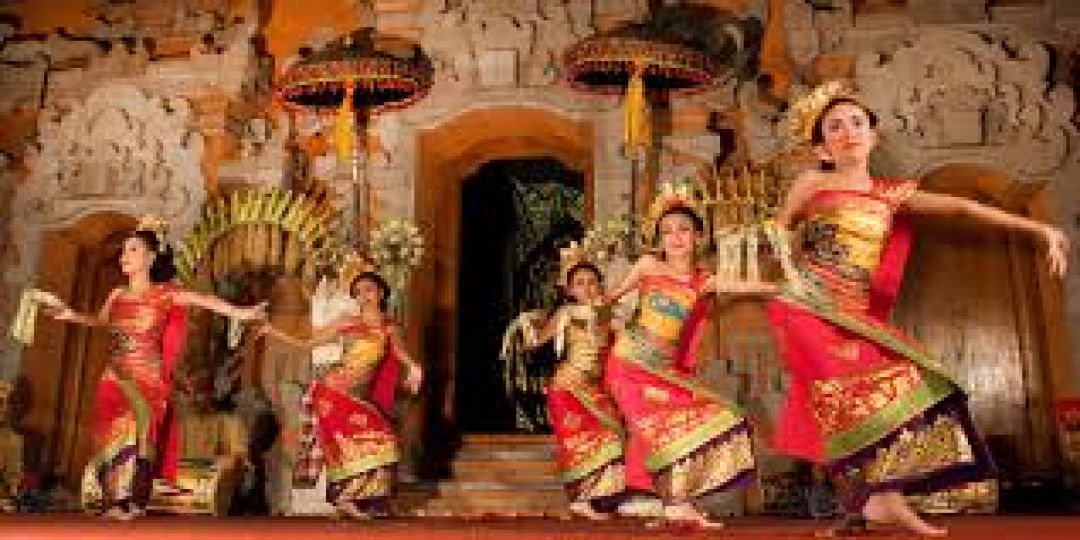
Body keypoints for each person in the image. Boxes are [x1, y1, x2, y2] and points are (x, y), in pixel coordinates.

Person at [764, 81, 1069, 536]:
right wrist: (777, 246)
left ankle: (871, 503)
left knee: (908, 385)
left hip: (854, 315)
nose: (847, 132)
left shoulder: (891, 195)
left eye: (856, 123)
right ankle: (880, 502)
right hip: (807, 306)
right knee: (853, 393)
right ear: (822, 148)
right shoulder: (812, 184)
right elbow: (775, 234)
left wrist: (1039, 230)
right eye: (834, 126)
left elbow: (962, 209)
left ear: (873, 136)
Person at [46, 215, 267, 520]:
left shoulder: (165, 294)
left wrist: (241, 313)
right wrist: (70, 314)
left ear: (151, 257)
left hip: (147, 379)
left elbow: (204, 300)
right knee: (110, 438)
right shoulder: (117, 294)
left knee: (139, 434)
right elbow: (101, 321)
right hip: (113, 377)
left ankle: (134, 501)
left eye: (133, 250)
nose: (124, 256)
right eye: (123, 251)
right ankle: (114, 502)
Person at [602, 181, 758, 529]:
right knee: (666, 429)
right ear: (659, 240)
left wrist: (786, 287)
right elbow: (608, 299)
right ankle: (674, 503)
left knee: (719, 416)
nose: (675, 237)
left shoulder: (703, 281)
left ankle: (671, 501)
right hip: (630, 365)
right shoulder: (647, 266)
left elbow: (744, 285)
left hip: (665, 371)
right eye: (667, 231)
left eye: (683, 229)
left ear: (698, 236)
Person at [259, 267, 422, 519]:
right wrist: (273, 331)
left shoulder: (390, 328)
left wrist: (413, 367)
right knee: (364, 441)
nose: (363, 296)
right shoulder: (348, 322)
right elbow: (306, 343)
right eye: (358, 292)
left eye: (368, 290)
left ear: (381, 292)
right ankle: (347, 498)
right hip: (331, 393)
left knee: (384, 440)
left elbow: (400, 353)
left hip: (356, 398)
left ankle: (359, 499)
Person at [519, 242, 626, 520]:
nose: (587, 288)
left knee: (611, 436)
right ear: (569, 290)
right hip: (567, 387)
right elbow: (536, 342)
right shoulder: (566, 313)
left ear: (600, 285)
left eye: (592, 282)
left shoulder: (608, 314)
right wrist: (527, 324)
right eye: (579, 283)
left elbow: (621, 347)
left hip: (595, 389)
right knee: (578, 442)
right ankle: (580, 499)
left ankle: (594, 496)